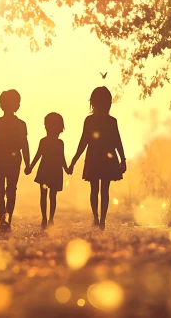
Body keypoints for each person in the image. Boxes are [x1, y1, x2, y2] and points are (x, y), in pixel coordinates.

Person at [69, 87, 126, 230]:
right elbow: (117, 142)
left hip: (95, 157)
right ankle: (100, 220)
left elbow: (83, 142)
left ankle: (98, 218)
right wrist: (122, 160)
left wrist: (74, 161)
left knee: (95, 189)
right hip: (105, 158)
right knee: (103, 190)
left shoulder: (92, 120)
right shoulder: (110, 121)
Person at [0, 89, 30, 232]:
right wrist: (27, 163)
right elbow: (24, 145)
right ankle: (6, 219)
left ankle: (4, 218)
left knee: (0, 191)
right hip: (12, 162)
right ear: (18, 106)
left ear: (1, 105)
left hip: (0, 161)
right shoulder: (20, 124)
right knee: (11, 191)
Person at [25, 112, 70, 229]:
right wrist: (67, 169)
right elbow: (61, 158)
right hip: (55, 171)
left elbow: (38, 155)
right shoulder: (59, 143)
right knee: (52, 196)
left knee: (44, 195)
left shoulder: (44, 141)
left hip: (45, 170)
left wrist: (30, 167)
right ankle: (50, 218)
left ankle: (45, 218)